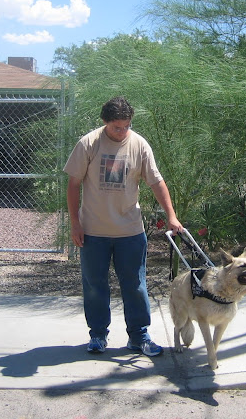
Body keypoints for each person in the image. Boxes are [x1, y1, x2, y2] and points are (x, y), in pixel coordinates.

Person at [64, 96, 183, 357]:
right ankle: (97, 335)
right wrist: (75, 223)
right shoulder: (89, 143)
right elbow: (73, 185)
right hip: (93, 231)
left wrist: (171, 216)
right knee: (95, 285)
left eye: (126, 126)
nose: (122, 132)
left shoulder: (139, 145)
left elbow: (156, 182)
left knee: (136, 285)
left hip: (130, 231)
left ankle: (139, 336)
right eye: (116, 127)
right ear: (105, 122)